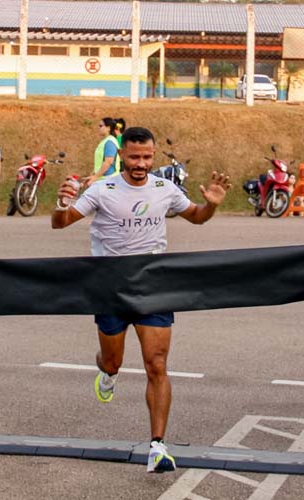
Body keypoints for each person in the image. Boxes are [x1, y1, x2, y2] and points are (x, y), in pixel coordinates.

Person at [51, 126, 231, 473]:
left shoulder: (165, 189)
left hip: (153, 284)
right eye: (134, 157)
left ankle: (158, 446)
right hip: (110, 286)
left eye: (147, 157)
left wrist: (210, 206)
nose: (141, 163)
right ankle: (107, 372)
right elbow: (61, 224)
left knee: (157, 364)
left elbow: (195, 216)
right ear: (121, 156)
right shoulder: (102, 189)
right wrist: (61, 205)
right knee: (113, 361)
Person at [84, 117, 121, 188]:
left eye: (101, 126)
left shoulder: (110, 142)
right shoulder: (105, 141)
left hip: (110, 180)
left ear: (108, 128)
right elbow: (99, 163)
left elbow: (108, 162)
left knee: (108, 198)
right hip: (103, 180)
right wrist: (92, 176)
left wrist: (95, 177)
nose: (99, 128)